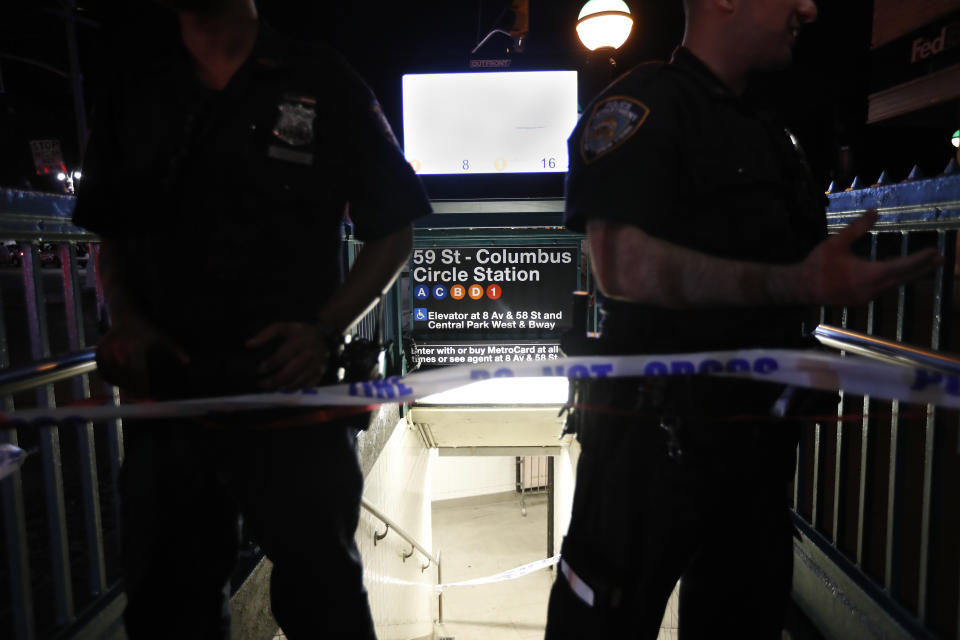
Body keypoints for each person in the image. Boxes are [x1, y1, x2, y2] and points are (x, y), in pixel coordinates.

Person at [545, 0, 940, 638]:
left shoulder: (771, 134)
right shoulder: (642, 108)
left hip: (754, 453)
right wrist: (798, 282)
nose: (809, 8)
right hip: (651, 446)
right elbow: (622, 266)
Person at [72, 1, 431, 638]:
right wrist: (125, 319)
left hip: (295, 399)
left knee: (325, 604)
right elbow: (113, 236)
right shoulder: (135, 87)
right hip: (168, 401)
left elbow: (392, 232)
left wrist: (325, 329)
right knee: (167, 611)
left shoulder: (323, 79)